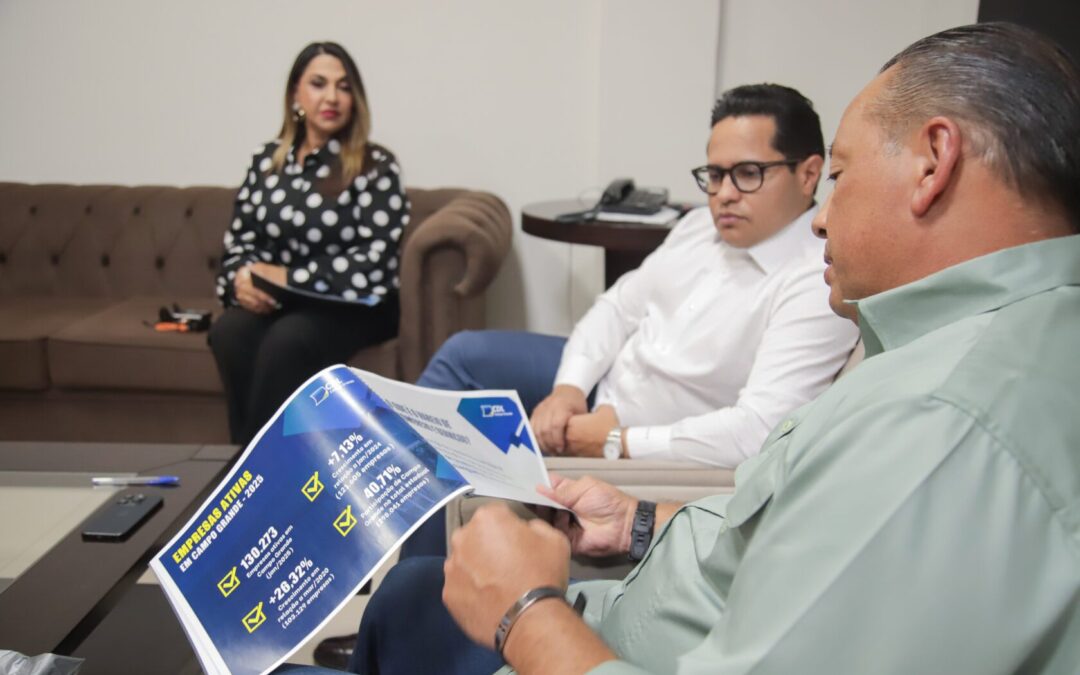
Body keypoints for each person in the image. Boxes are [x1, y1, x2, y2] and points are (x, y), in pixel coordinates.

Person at [297, 21, 1080, 674]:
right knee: (412, 585)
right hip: (641, 565)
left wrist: (525, 612)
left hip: (618, 629)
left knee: (414, 606)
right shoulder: (952, 341)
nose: (821, 217)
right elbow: (785, 523)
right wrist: (640, 520)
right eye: (715, 173)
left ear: (933, 163)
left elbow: (759, 438)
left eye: (839, 177)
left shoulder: (936, 419)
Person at [209, 42, 406, 445]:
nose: (331, 97)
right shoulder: (266, 161)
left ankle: (255, 471)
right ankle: (245, 457)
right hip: (281, 303)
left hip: (354, 305)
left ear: (356, 100)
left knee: (288, 339)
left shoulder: (375, 166)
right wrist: (241, 282)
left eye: (344, 87)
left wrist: (288, 278)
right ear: (296, 94)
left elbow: (376, 262)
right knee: (229, 331)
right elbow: (238, 244)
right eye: (318, 84)